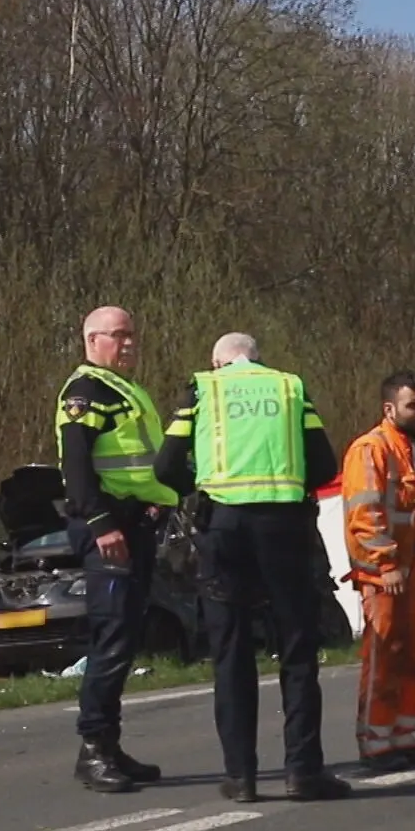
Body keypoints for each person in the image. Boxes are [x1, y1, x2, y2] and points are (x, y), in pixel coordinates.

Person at [153, 332, 351, 803]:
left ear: (217, 361)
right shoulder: (290, 388)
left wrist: (200, 484)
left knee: (231, 651)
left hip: (223, 528)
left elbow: (165, 468)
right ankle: (303, 771)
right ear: (258, 359)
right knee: (298, 650)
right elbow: (324, 465)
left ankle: (240, 776)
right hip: (284, 528)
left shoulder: (202, 390)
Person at [55, 305, 180, 793]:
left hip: (133, 523)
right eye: (118, 336)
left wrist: (155, 506)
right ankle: (93, 750)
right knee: (111, 638)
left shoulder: (123, 390)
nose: (129, 343)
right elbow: (78, 466)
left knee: (126, 636)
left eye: (132, 335)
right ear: (92, 340)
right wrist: (103, 523)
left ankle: (111, 743)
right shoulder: (85, 392)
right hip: (107, 530)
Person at [342, 369, 415, 774]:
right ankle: (375, 741)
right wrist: (385, 564)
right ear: (389, 408)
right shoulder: (370, 449)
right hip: (388, 575)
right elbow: (365, 513)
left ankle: (404, 736)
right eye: (414, 405)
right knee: (386, 656)